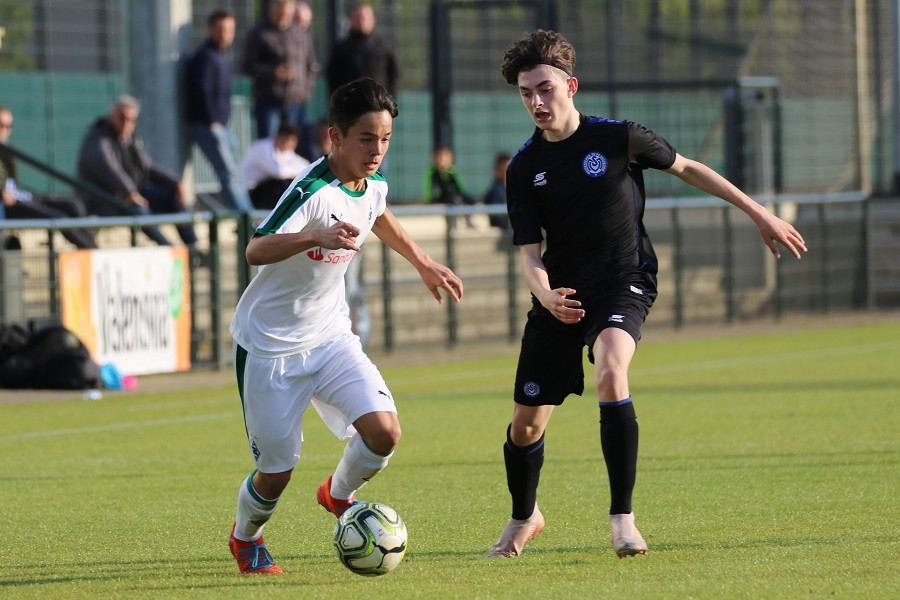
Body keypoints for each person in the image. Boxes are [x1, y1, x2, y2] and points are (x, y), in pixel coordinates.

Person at [487, 30, 807, 559]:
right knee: (525, 426)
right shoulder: (524, 168)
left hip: (623, 278)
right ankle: (525, 516)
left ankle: (622, 521)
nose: (536, 102)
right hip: (561, 294)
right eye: (526, 93)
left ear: (571, 85)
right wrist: (544, 295)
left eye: (545, 89)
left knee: (613, 368)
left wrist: (760, 212)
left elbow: (688, 167)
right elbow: (529, 252)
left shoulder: (617, 138)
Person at [227, 77, 463, 575]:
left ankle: (337, 495)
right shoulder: (309, 190)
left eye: (385, 139)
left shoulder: (372, 182)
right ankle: (246, 537)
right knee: (275, 473)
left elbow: (377, 212)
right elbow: (256, 248)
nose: (377, 150)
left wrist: (423, 262)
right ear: (334, 137)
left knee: (384, 432)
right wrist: (317, 234)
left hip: (331, 336)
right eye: (365, 139)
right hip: (270, 349)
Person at [76, 95, 197, 247]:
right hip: (105, 199)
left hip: (132, 193)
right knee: (139, 209)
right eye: (123, 118)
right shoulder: (98, 139)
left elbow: (146, 166)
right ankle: (170, 250)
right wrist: (130, 193)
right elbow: (110, 169)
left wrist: (176, 183)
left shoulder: (130, 140)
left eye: (132, 120)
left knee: (174, 196)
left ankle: (194, 249)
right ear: (111, 116)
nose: (127, 124)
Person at [186, 9, 254, 213]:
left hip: (220, 126)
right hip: (209, 125)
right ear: (211, 30)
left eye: (229, 30)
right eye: (220, 29)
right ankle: (248, 222)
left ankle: (249, 218)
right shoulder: (205, 57)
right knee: (229, 174)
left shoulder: (220, 57)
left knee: (236, 174)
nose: (225, 34)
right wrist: (212, 121)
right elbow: (202, 90)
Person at [0, 107, 96, 250]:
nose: (5, 130)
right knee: (59, 218)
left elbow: (13, 182)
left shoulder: (7, 149)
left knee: (73, 204)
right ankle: (92, 252)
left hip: (19, 196)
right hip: (6, 205)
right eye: (1, 125)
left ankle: (95, 251)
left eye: (8, 126)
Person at [242, 0, 319, 145]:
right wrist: (273, 72)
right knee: (268, 147)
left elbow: (312, 66)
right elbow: (248, 66)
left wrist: (305, 91)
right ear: (271, 11)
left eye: (285, 14)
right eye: (278, 14)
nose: (281, 18)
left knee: (294, 149)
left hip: (295, 101)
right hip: (268, 100)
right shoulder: (259, 34)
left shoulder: (300, 35)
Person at [325, 3, 399, 96]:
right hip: (351, 103)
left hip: (378, 103)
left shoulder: (383, 47)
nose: (361, 20)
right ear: (351, 20)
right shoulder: (342, 48)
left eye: (365, 17)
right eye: (358, 17)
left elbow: (394, 73)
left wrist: (388, 97)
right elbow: (332, 77)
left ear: (373, 20)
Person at [240, 123, 310, 210]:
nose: (287, 143)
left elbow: (306, 166)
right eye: (284, 138)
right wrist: (297, 171)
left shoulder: (287, 153)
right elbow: (279, 172)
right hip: (248, 193)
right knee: (280, 184)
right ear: (277, 137)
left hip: (263, 192)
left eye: (291, 140)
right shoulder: (262, 147)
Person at [425, 145, 475, 228]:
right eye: (440, 158)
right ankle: (453, 224)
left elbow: (460, 186)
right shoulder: (431, 172)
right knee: (454, 201)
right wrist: (428, 199)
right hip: (441, 196)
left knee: (461, 200)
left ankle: (466, 221)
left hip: (453, 196)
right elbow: (428, 187)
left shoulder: (451, 170)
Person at [483, 151, 511, 232]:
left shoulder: (513, 187)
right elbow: (497, 218)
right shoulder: (496, 190)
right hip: (503, 232)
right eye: (506, 168)